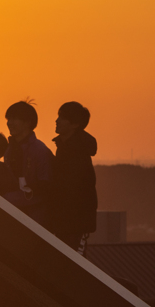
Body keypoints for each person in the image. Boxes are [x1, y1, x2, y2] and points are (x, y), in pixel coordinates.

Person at [50, 101, 98, 254]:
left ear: (75, 124)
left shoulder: (78, 152)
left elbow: (81, 190)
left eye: (62, 118)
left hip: (77, 222)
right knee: (63, 263)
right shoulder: (64, 147)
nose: (57, 121)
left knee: (75, 265)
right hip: (63, 220)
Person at [3, 100, 53, 224]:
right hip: (12, 213)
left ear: (28, 122)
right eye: (9, 119)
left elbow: (45, 187)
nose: (10, 123)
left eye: (14, 119)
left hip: (36, 218)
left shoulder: (40, 150)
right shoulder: (9, 149)